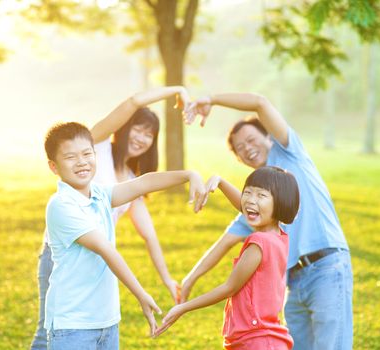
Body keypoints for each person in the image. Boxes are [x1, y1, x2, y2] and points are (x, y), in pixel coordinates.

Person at [181, 93, 353, 350]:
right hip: (292, 285)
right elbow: (223, 244)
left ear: (268, 137)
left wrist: (212, 100)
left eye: (251, 140)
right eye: (239, 148)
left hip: (326, 268)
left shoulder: (289, 153)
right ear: (239, 160)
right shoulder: (258, 209)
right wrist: (189, 280)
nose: (247, 148)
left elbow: (260, 103)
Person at [31, 86, 190, 349]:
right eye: (137, 128)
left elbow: (149, 234)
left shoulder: (126, 179)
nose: (141, 137)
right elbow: (133, 101)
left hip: (98, 261)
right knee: (47, 331)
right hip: (66, 252)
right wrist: (177, 90)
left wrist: (166, 279)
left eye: (149, 134)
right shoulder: (97, 145)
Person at [154, 166, 299, 350]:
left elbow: (229, 287)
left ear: (280, 203)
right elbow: (245, 206)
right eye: (247, 193)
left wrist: (183, 308)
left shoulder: (259, 242)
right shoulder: (279, 236)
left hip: (255, 341)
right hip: (265, 339)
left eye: (261, 195)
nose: (250, 201)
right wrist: (220, 182)